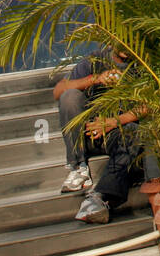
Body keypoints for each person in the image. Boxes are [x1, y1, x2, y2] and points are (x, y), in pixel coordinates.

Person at [52, 49, 148, 223]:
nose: (124, 43)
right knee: (70, 97)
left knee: (133, 133)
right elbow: (58, 90)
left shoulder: (142, 64)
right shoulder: (95, 60)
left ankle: (100, 198)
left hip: (121, 133)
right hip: (89, 132)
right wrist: (95, 79)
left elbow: (151, 103)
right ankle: (78, 167)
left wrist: (114, 122)